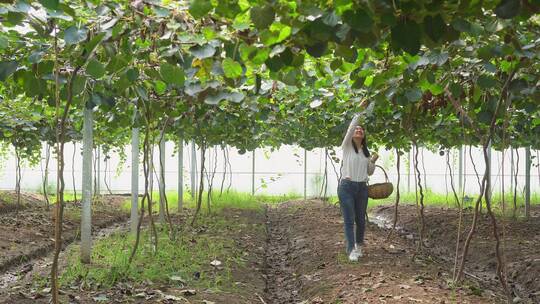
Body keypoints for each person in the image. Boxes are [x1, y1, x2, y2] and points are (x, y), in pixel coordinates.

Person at [337, 113, 378, 262]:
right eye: (357, 129)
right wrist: (359, 115)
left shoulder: (365, 153)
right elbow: (350, 129)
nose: (359, 130)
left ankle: (358, 245)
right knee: (349, 220)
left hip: (362, 188)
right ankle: (351, 250)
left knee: (360, 219)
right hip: (347, 187)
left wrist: (372, 161)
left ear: (364, 135)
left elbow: (370, 172)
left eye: (361, 129)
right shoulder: (347, 146)